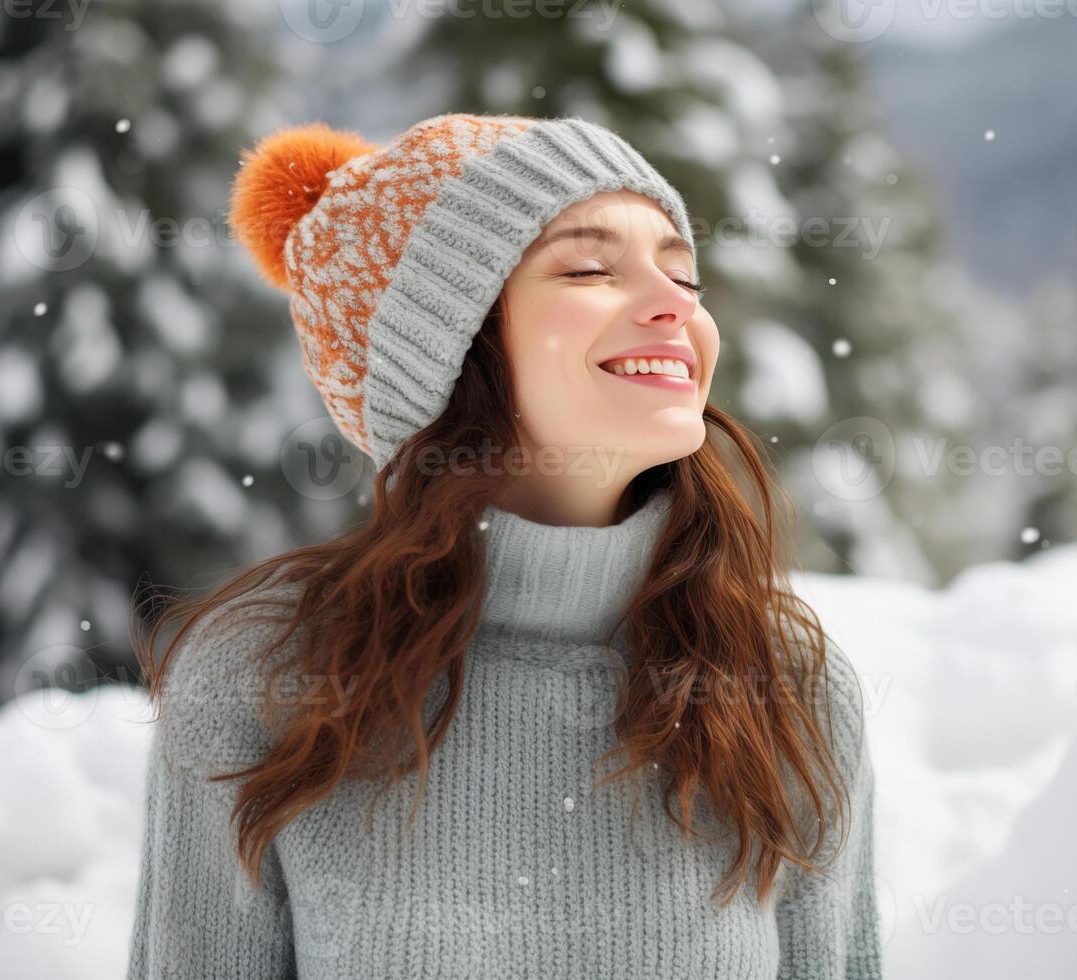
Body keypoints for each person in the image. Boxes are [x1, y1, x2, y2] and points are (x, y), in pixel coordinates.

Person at [126, 113, 882, 979]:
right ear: (448, 353)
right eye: (590, 268)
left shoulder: (785, 684)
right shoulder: (265, 676)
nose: (676, 303)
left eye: (682, 271)